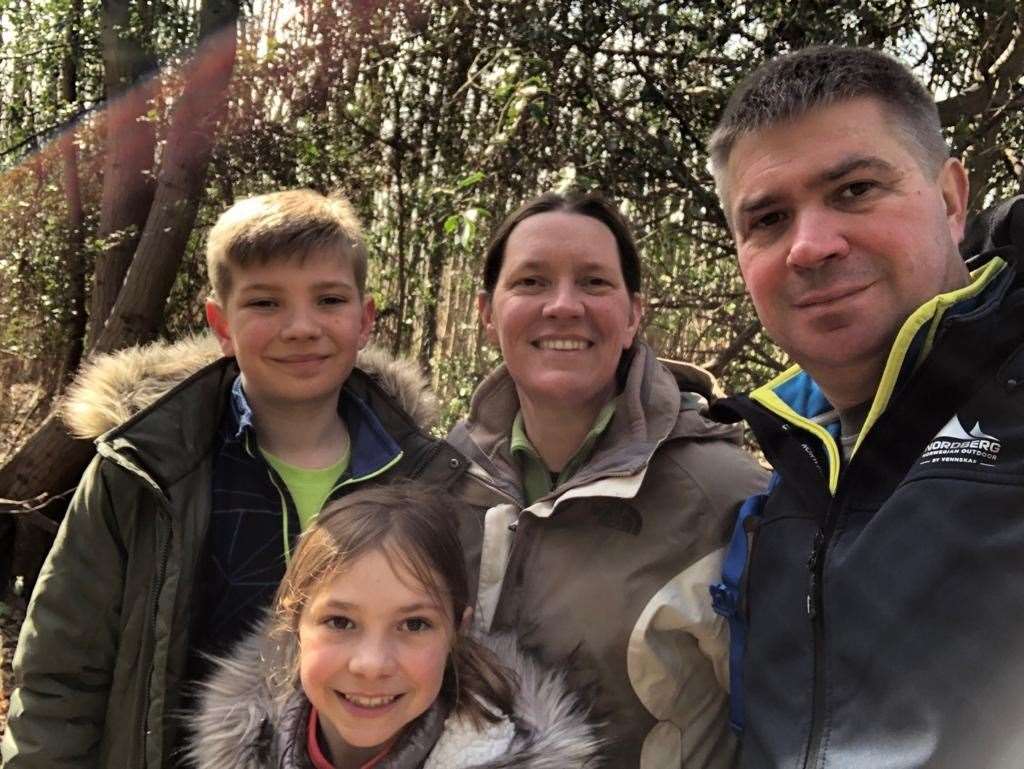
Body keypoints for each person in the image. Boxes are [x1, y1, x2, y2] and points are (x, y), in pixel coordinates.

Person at [1, 190, 467, 769]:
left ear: (364, 319)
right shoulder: (144, 472)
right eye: (265, 303)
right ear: (220, 323)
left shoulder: (422, 476)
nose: (301, 327)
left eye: (328, 299)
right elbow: (62, 673)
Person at [706, 45, 1024, 769]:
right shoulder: (786, 480)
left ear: (950, 200)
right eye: (769, 219)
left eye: (853, 190)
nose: (810, 246)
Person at [447, 191, 769, 768]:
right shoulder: (439, 481)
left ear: (632, 315)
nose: (564, 306)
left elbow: (786, 727)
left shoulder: (722, 497)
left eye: (594, 283)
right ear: (487, 313)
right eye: (531, 283)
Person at [185, 482, 600, 769]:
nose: (371, 664)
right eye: (340, 621)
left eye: (414, 624)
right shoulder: (240, 747)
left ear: (457, 631)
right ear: (294, 627)